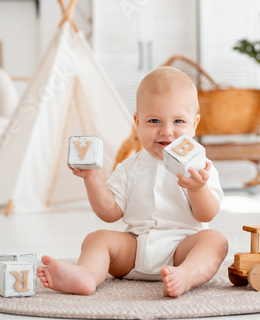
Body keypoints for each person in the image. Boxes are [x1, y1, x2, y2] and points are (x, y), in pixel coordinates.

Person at [37, 66, 228, 298]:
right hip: (135, 248)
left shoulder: (201, 167)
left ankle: (186, 275)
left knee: (215, 240)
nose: (167, 131)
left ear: (194, 124)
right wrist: (92, 178)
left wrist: (198, 189)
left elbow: (207, 214)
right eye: (154, 120)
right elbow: (110, 213)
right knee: (97, 238)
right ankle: (87, 274)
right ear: (137, 122)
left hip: (183, 248)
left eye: (179, 121)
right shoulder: (129, 167)